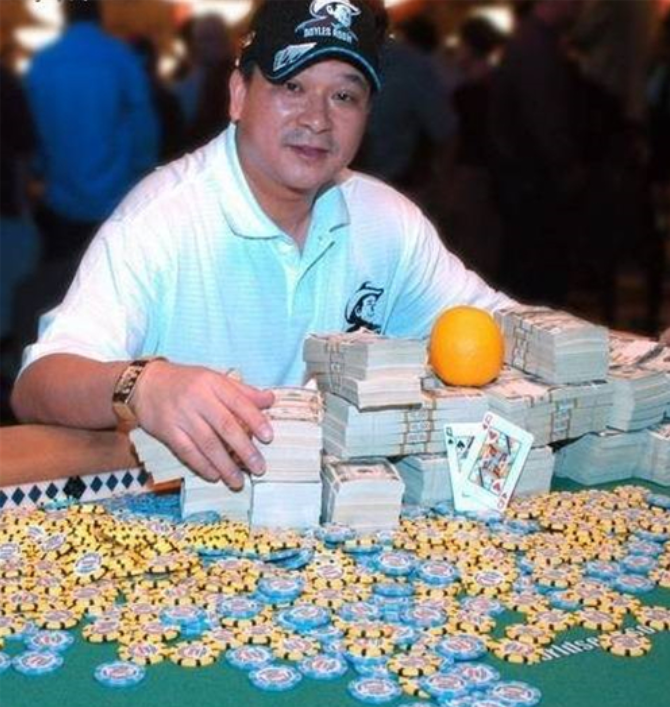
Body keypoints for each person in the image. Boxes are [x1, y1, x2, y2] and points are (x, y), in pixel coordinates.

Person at [12, 0, 512, 492]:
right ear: (238, 94)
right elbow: (39, 382)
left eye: (344, 96)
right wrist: (143, 385)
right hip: (191, 514)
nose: (317, 119)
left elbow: (500, 327)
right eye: (292, 86)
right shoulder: (160, 221)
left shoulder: (387, 221)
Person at [25, 0, 159, 264]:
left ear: (64, 16)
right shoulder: (121, 58)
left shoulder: (44, 62)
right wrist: (142, 169)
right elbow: (143, 126)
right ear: (100, 15)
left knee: (62, 279)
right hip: (115, 197)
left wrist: (40, 169)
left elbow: (35, 129)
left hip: (61, 198)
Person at [489, 0, 584, 307]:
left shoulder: (530, 40)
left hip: (525, 177)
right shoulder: (535, 46)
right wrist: (566, 166)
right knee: (534, 278)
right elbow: (544, 117)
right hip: (533, 180)